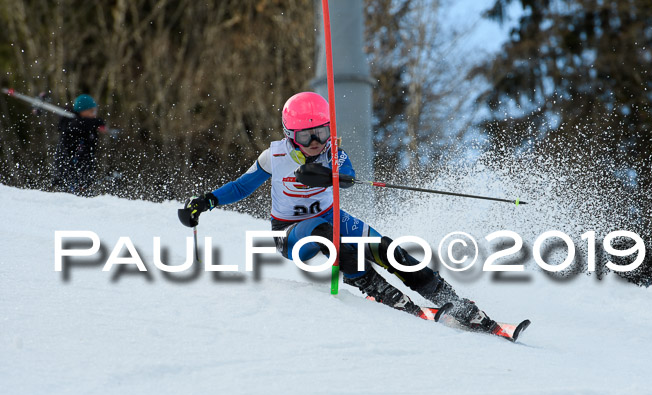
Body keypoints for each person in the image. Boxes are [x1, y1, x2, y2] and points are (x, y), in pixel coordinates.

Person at [179, 92, 498, 334]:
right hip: (290, 232)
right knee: (330, 240)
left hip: (333, 217)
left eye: (321, 131)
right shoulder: (274, 156)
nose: (316, 141)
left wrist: (326, 173)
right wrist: (206, 202)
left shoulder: (334, 151)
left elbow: (346, 175)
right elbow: (241, 187)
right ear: (291, 135)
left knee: (389, 250)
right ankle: (378, 289)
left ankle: (451, 299)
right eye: (306, 136)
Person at [54, 94, 106, 195]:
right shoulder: (71, 122)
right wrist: (98, 122)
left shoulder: (89, 125)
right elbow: (79, 125)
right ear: (82, 111)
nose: (94, 114)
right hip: (68, 170)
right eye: (91, 111)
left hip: (84, 170)